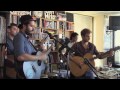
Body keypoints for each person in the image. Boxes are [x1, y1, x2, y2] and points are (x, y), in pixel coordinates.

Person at [13, 15, 48, 79]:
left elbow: (30, 53)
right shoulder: (19, 37)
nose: (33, 28)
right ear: (24, 26)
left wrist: (39, 49)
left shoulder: (26, 37)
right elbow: (20, 56)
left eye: (33, 26)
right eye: (31, 26)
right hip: (24, 74)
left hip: (30, 71)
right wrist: (40, 57)